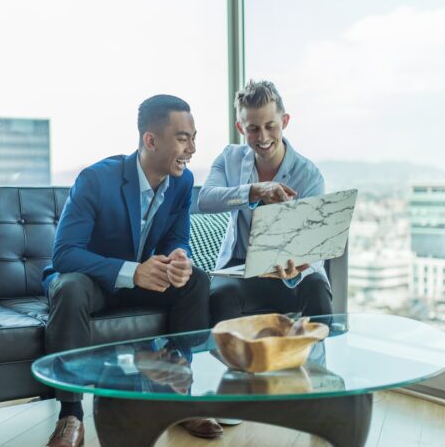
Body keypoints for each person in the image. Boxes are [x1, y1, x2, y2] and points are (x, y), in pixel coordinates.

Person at [41, 95, 220, 447]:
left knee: (196, 279)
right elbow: (64, 254)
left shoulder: (182, 182)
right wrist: (132, 272)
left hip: (138, 278)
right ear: (150, 140)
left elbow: (176, 237)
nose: (193, 148)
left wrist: (177, 260)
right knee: (70, 288)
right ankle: (71, 416)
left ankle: (177, 391)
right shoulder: (96, 179)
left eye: (194, 137)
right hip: (90, 280)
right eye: (183, 138)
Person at [198, 80, 333, 326]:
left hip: (290, 271)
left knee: (317, 289)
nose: (263, 137)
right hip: (239, 269)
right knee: (220, 295)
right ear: (240, 127)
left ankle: (317, 363)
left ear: (285, 121)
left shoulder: (309, 175)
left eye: (270, 126)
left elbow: (315, 246)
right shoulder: (229, 159)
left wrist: (297, 268)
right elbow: (205, 200)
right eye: (253, 129)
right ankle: (233, 364)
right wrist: (254, 191)